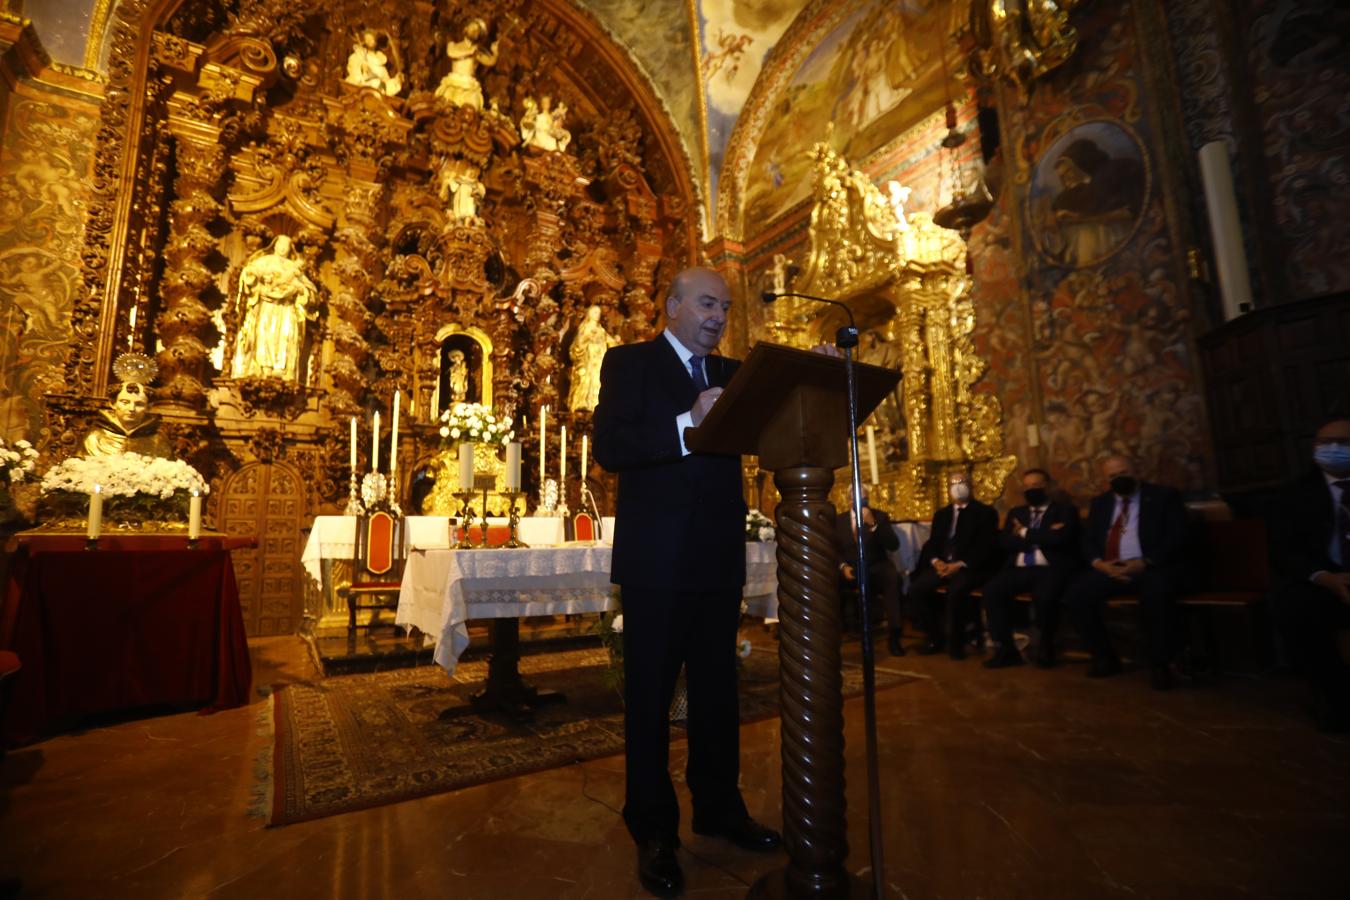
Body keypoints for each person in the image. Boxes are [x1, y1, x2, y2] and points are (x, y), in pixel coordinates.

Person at [593, 267, 780, 898]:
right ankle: (653, 831)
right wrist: (684, 422)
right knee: (649, 698)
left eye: (725, 307)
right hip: (656, 563)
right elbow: (611, 447)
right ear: (672, 306)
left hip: (717, 557)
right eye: (707, 304)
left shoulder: (733, 374)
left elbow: (773, 422)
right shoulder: (630, 363)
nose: (719, 316)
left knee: (718, 693)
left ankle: (720, 808)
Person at [1063, 454, 1189, 690]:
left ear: (1136, 470)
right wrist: (1099, 564)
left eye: (1123, 473)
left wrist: (1146, 562)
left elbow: (1177, 536)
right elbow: (1088, 540)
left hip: (1150, 567)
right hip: (1110, 567)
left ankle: (1161, 664)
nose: (1119, 478)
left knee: (1157, 595)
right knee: (1076, 596)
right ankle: (1104, 657)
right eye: (1113, 476)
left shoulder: (1164, 497)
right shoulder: (1101, 503)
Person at [1270, 417, 1350, 731]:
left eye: (1343, 443)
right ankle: (1337, 698)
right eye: (1324, 442)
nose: (1332, 449)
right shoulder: (1293, 493)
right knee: (1294, 609)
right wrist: (1325, 577)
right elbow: (1283, 551)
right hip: (1322, 579)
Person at [980, 468, 1082, 669]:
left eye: (1037, 486)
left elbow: (1061, 539)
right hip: (1019, 568)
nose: (1032, 490)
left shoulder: (1064, 511)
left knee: (1046, 597)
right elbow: (1005, 542)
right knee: (992, 591)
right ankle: (1006, 649)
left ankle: (1046, 647)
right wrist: (1040, 537)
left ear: (1048, 487)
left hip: (1049, 569)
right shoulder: (1017, 513)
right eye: (1027, 487)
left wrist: (1025, 532)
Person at [909, 470, 1000, 658]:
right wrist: (936, 562)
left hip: (970, 567)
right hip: (943, 566)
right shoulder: (942, 514)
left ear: (971, 485)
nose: (958, 486)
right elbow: (932, 543)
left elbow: (986, 546)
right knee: (916, 589)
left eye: (962, 481)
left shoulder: (985, 513)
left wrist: (959, 565)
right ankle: (935, 637)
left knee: (956, 591)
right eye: (954, 483)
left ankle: (956, 643)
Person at [230, 235, 319, 382]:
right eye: (281, 244)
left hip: (286, 308)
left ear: (291, 249)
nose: (283, 248)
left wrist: (300, 289)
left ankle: (282, 370)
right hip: (267, 305)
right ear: (275, 245)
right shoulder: (265, 261)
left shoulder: (293, 267)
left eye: (287, 245)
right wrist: (260, 282)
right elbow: (248, 274)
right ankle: (264, 368)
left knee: (285, 335)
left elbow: (310, 291)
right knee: (265, 333)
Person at [833, 493, 904, 655]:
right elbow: (832, 548)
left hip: (875, 565)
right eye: (853, 497)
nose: (857, 500)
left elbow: (893, 545)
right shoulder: (839, 520)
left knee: (892, 578)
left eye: (862, 497)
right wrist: (842, 565)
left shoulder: (880, 516)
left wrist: (873, 524)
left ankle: (894, 635)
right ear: (848, 499)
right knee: (826, 580)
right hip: (850, 567)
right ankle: (833, 631)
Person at [82, 381, 172, 458]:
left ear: (148, 407)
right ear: (113, 404)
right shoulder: (94, 437)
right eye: (125, 402)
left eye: (139, 404)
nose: (132, 409)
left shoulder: (158, 441)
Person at [435, 18, 498, 109]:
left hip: (469, 86)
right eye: (472, 28)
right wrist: (470, 51)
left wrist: (495, 53)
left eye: (477, 30)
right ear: (465, 30)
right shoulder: (454, 45)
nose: (475, 31)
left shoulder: (476, 51)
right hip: (453, 83)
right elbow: (451, 53)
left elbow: (490, 61)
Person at [567, 305, 617, 412]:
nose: (597, 315)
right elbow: (579, 343)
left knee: (598, 380)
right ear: (589, 314)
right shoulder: (585, 327)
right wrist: (589, 337)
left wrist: (616, 342)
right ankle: (583, 403)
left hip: (599, 359)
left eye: (598, 313)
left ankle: (595, 402)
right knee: (586, 380)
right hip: (588, 360)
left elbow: (610, 341)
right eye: (594, 312)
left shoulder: (601, 330)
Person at [344, 30, 402, 96]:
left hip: (378, 95)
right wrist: (361, 68)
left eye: (371, 39)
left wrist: (396, 81)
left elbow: (386, 84)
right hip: (363, 89)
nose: (369, 41)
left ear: (375, 41)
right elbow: (352, 67)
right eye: (367, 39)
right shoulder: (360, 55)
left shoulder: (380, 61)